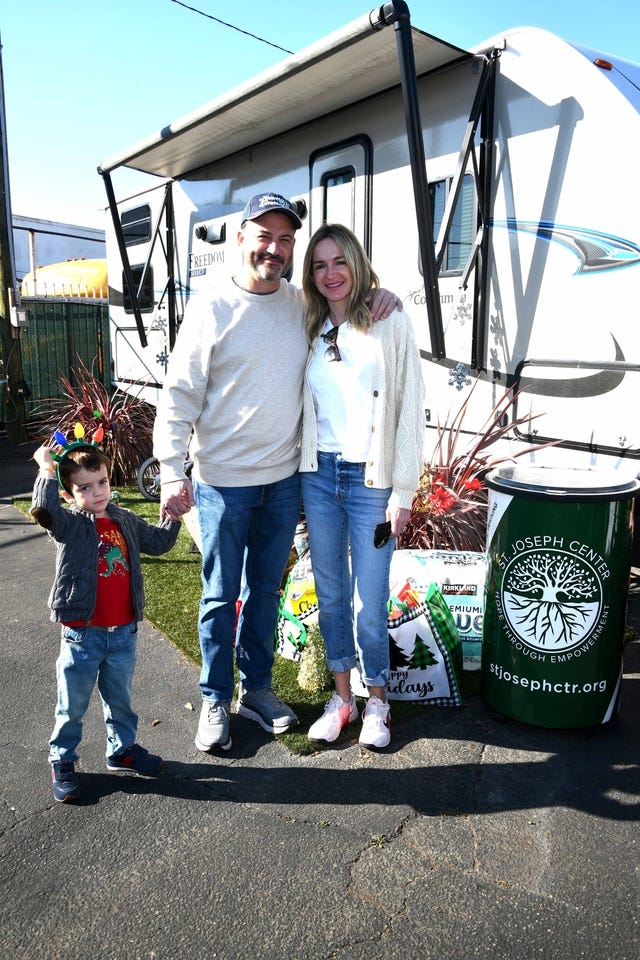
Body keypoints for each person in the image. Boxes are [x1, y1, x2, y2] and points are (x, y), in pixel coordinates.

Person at [153, 192, 401, 753]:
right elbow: (179, 395)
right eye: (263, 235)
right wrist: (172, 470)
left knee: (265, 590)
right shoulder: (210, 308)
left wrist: (383, 292)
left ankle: (257, 690)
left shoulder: (299, 306)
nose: (275, 247)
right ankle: (216, 696)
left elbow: (349, 304)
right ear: (240, 238)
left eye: (285, 239)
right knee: (220, 595)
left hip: (287, 478)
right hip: (222, 480)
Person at [300, 224, 424, 749]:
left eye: (339, 262)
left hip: (371, 481)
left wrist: (404, 492)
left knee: (368, 601)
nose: (331, 274)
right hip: (320, 477)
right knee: (329, 596)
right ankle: (343, 698)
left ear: (355, 262)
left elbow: (411, 410)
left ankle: (378, 701)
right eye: (320, 265)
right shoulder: (307, 327)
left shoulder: (388, 320)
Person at [31, 436, 180, 803]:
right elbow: (43, 509)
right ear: (70, 494)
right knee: (73, 703)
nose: (97, 492)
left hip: (123, 632)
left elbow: (158, 543)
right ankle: (62, 758)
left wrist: (172, 514)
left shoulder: (124, 518)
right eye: (84, 487)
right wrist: (47, 469)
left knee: (121, 699)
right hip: (83, 634)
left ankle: (122, 749)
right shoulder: (68, 524)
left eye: (102, 482)